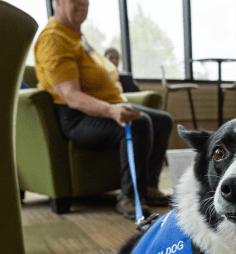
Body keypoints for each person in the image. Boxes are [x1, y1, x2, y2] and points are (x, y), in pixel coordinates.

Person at [34, 0, 173, 219]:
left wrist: (116, 102)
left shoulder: (76, 36)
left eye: (85, 0)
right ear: (58, 2)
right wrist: (112, 110)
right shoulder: (54, 38)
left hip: (105, 104)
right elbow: (72, 96)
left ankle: (148, 188)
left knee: (162, 120)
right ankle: (128, 197)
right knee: (138, 122)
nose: (82, 3)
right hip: (78, 117)